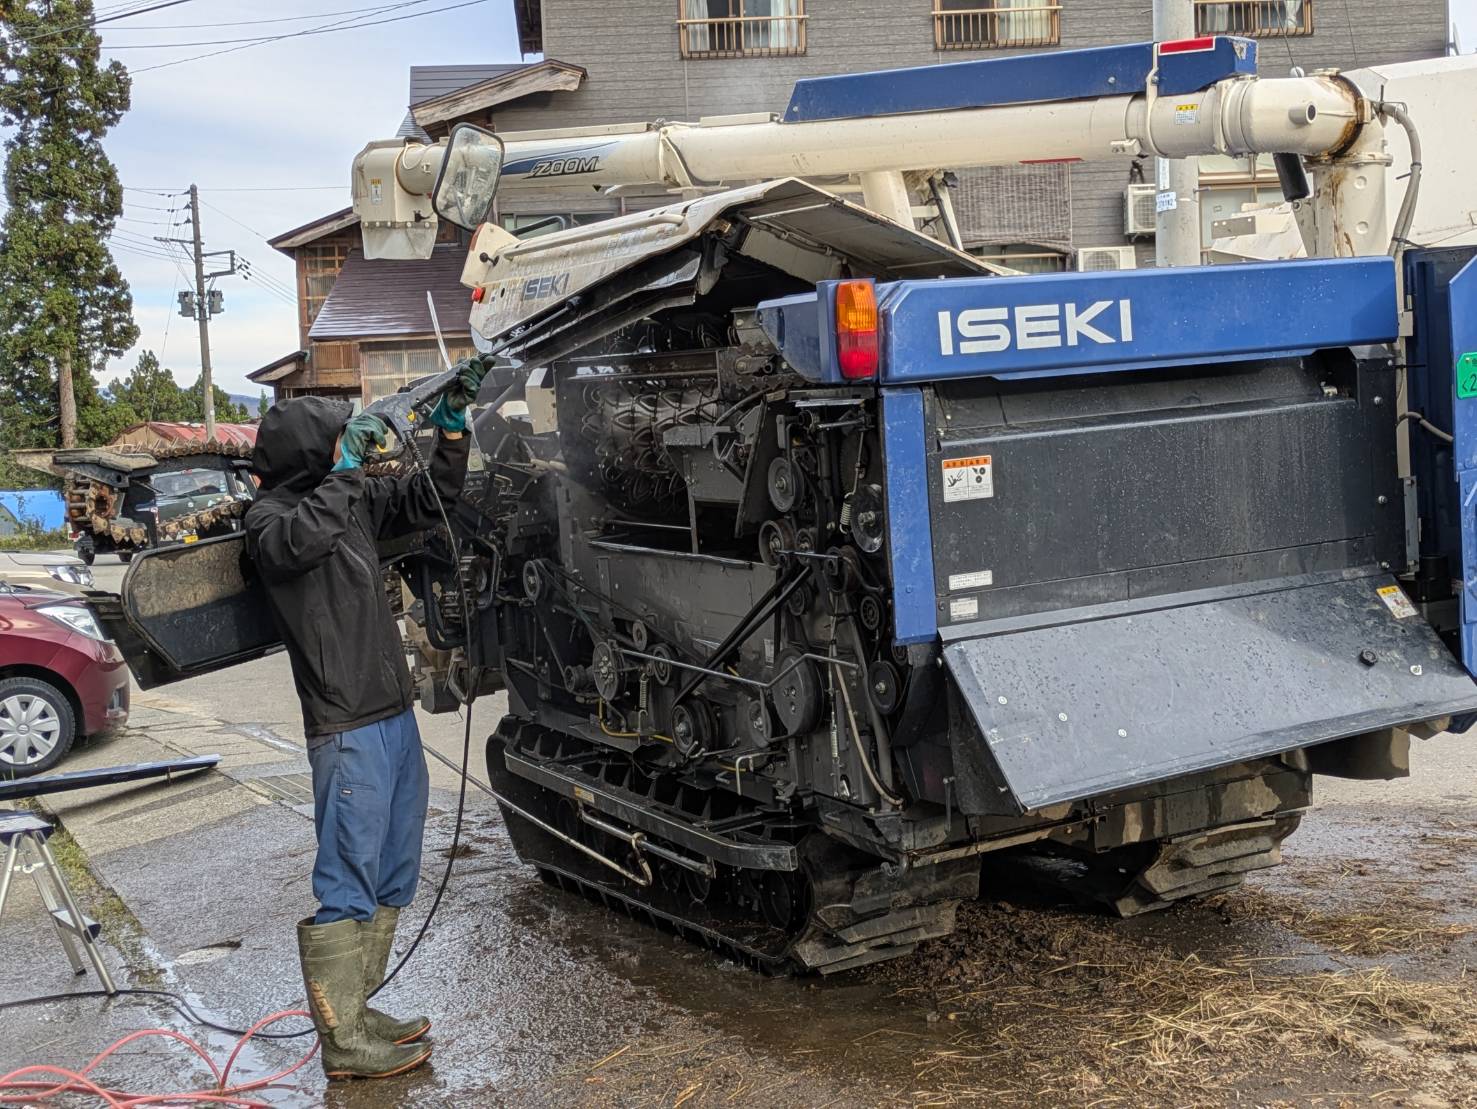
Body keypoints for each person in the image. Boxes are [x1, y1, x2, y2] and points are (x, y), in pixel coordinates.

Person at [244, 359, 486, 1080]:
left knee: (392, 871)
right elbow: (297, 546)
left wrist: (451, 434)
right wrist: (347, 471)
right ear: (310, 454)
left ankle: (359, 1009)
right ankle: (343, 1043)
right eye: (338, 441)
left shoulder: (346, 499)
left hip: (390, 711)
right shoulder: (271, 520)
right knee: (347, 875)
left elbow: (427, 497)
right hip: (343, 721)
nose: (350, 447)